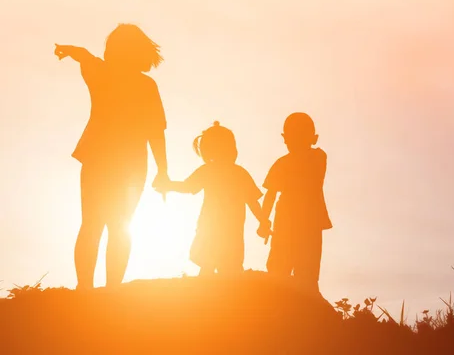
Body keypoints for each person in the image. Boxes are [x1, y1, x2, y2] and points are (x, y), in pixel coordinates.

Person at [54, 24, 169, 289]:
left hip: (99, 157)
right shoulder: (145, 85)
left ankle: (85, 288)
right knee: (120, 226)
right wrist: (163, 170)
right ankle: (112, 288)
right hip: (131, 164)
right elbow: (156, 133)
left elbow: (84, 55)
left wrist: (68, 50)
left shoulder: (102, 74)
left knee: (92, 224)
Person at [156, 121, 272, 274]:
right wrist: (263, 220)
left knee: (209, 265)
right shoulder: (239, 173)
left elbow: (188, 186)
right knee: (228, 266)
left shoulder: (209, 170)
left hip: (212, 225)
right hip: (229, 227)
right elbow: (252, 201)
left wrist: (169, 185)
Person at [262, 112, 332, 292]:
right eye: (289, 137)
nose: (290, 141)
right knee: (279, 268)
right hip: (288, 220)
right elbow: (270, 194)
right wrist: (264, 220)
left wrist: (264, 220)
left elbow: (271, 194)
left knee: (307, 272)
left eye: (297, 136)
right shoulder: (282, 163)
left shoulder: (318, 157)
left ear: (313, 138)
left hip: (308, 221)